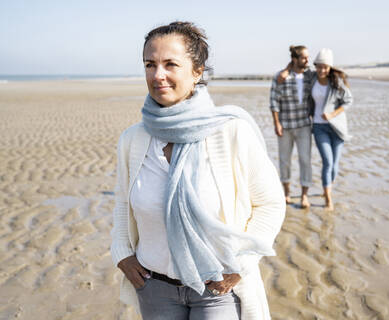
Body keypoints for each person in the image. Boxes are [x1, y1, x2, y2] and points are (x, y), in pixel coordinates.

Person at [110, 21, 286, 320]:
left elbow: (270, 204)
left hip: (217, 289)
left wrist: (240, 265)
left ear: (197, 71)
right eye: (150, 64)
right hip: (154, 287)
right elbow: (123, 204)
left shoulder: (231, 131)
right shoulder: (133, 139)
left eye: (170, 64)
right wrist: (122, 254)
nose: (158, 75)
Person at [269, 45, 314, 208]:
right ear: (295, 60)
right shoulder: (281, 77)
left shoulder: (310, 76)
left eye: (308, 57)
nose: (307, 60)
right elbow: (274, 101)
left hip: (304, 126)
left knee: (305, 160)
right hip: (285, 126)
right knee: (284, 161)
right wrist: (276, 123)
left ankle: (304, 195)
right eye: (304, 57)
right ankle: (286, 193)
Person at [308, 48, 353, 210]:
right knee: (327, 162)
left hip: (337, 128)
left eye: (325, 67)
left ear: (330, 68)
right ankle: (328, 199)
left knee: (335, 165)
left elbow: (348, 101)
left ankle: (328, 185)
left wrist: (333, 114)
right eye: (319, 66)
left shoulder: (336, 82)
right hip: (319, 127)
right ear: (315, 66)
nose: (321, 70)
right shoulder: (312, 79)